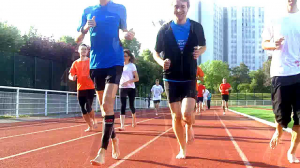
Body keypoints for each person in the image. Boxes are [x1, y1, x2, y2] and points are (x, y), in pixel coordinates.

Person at [75, 0, 135, 165]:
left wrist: (127, 35)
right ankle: (114, 139)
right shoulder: (88, 10)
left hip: (115, 61)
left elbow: (123, 31)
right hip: (96, 65)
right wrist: (85, 28)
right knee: (104, 108)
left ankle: (102, 151)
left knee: (107, 104)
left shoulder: (119, 8)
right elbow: (77, 39)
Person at [153, 0, 206, 159]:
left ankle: (189, 125)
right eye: (176, 6)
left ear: (187, 8)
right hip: (171, 78)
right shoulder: (164, 30)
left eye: (183, 6)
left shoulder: (196, 27)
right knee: (176, 116)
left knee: (187, 114)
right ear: (172, 8)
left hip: (189, 77)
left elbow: (203, 46)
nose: (179, 9)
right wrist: (162, 62)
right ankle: (182, 149)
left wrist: (199, 52)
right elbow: (155, 52)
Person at [262, 0, 300, 163]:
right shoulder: (274, 18)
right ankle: (279, 130)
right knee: (281, 118)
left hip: (299, 73)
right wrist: (272, 44)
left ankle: (291, 152)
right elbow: (264, 44)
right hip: (280, 74)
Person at [69, 44, 97, 132]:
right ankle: (90, 126)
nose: (84, 51)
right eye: (82, 49)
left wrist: (92, 76)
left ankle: (94, 120)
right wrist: (72, 78)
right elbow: (71, 74)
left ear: (88, 51)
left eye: (85, 49)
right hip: (80, 88)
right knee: (82, 108)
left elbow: (96, 71)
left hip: (90, 87)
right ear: (78, 51)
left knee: (88, 107)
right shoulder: (75, 63)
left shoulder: (91, 61)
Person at [119, 49, 139, 131]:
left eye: (125, 56)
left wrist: (128, 82)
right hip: (122, 87)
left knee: (131, 105)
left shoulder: (132, 65)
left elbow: (137, 78)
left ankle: (134, 118)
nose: (124, 57)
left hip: (131, 87)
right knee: (122, 105)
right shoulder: (119, 65)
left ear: (129, 57)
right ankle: (122, 125)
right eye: (122, 56)